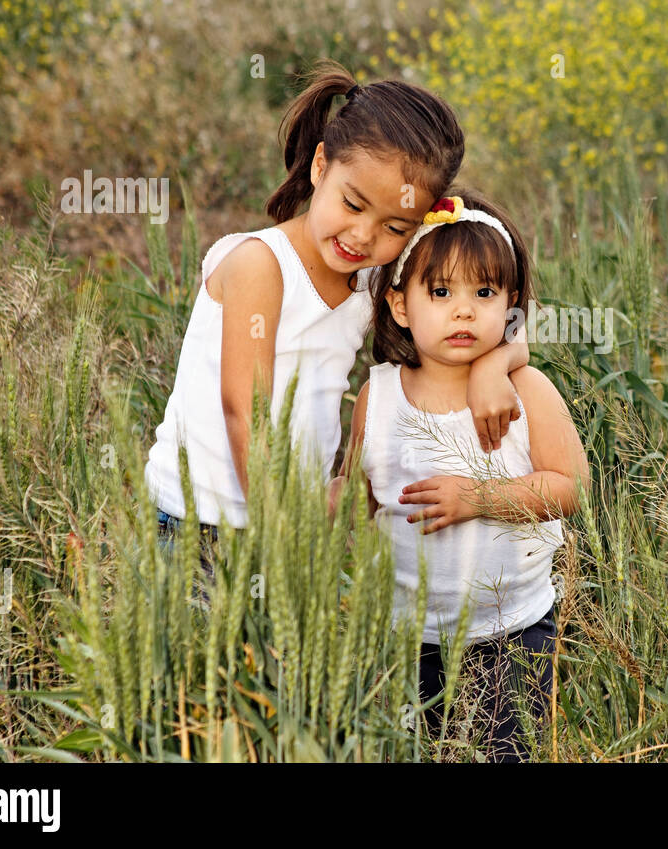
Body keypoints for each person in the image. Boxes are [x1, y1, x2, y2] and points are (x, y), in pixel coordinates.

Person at [145, 62, 529, 564]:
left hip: (292, 523)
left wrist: (494, 366)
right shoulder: (261, 266)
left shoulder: (374, 279)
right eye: (352, 204)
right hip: (197, 525)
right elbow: (247, 412)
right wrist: (286, 523)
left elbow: (506, 323)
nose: (364, 236)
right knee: (198, 646)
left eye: (395, 227)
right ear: (320, 166)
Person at [341, 190, 590, 762]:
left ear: (510, 306)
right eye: (441, 292)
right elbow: (359, 503)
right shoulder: (378, 398)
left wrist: (478, 497)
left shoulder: (528, 391)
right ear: (401, 306)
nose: (464, 310)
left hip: (514, 633)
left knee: (509, 752)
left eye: (484, 293)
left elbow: (572, 488)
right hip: (407, 636)